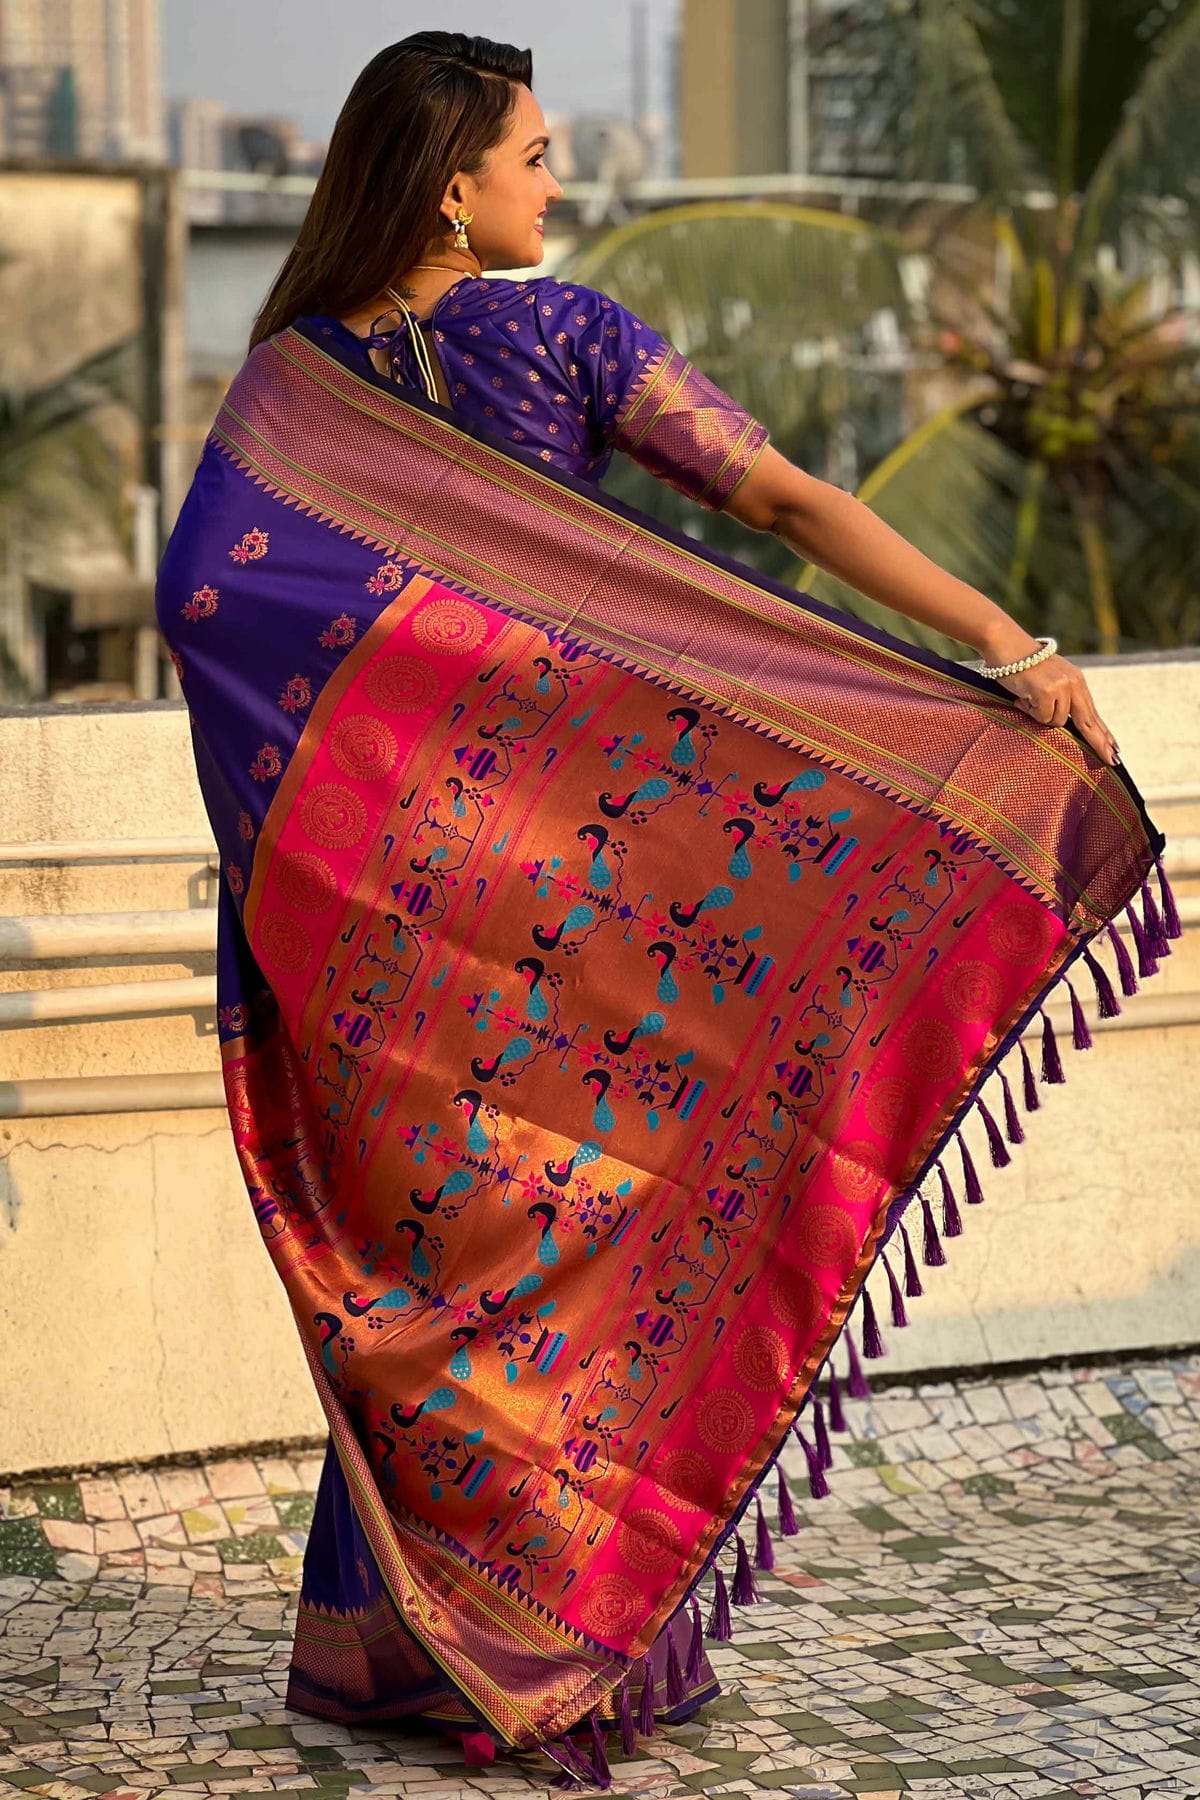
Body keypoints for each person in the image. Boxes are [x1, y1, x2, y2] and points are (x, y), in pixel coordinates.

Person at [157, 30, 1173, 1790]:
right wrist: (1009, 650)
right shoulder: (556, 337)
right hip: (574, 912)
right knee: (574, 1242)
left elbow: (202, 600)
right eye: (537, 158)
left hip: (403, 926)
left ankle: (422, 1652)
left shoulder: (289, 390)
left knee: (445, 1259)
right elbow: (779, 497)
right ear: (454, 191)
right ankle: (556, 1648)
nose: (558, 187)